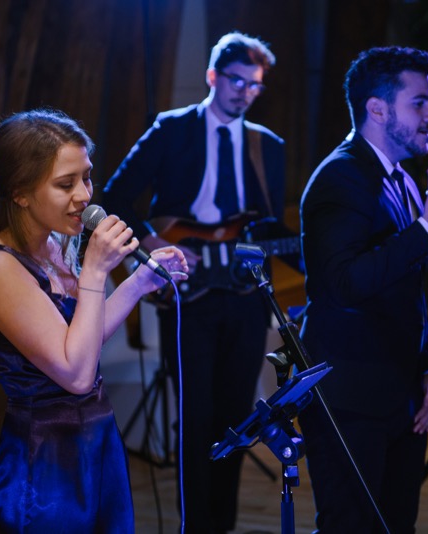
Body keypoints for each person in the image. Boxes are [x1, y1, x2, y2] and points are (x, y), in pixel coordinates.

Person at [0, 108, 188, 533]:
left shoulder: (54, 244)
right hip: (46, 464)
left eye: (87, 177)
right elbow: (77, 375)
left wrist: (138, 283)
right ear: (20, 193)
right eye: (66, 184)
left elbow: (83, 341)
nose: (84, 196)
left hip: (96, 442)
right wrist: (95, 271)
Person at [102, 32, 285, 533]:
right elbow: (115, 197)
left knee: (237, 418)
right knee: (195, 417)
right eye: (237, 81)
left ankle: (222, 524)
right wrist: (153, 243)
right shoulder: (171, 129)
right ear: (212, 76)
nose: (245, 93)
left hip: (245, 296)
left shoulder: (267, 146)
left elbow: (270, 226)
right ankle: (195, 526)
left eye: (255, 85)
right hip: (188, 295)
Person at [298, 46, 428, 533]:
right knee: (350, 526)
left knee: (397, 525)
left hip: (399, 393)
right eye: (420, 102)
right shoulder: (339, 177)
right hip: (350, 396)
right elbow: (344, 285)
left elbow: (406, 289)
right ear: (377, 109)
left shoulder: (402, 180)